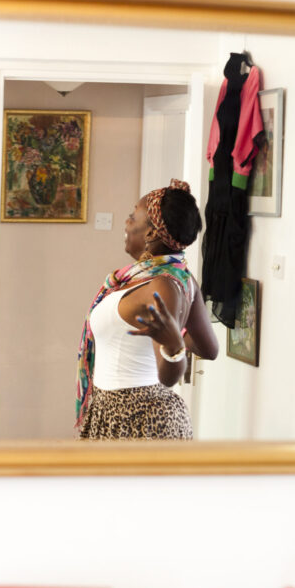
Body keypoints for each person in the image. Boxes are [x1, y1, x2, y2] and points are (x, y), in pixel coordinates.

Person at [75, 179, 218, 440]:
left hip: (136, 418)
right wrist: (171, 340)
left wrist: (174, 347)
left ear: (151, 233)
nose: (126, 223)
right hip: (121, 411)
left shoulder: (162, 285)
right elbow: (209, 348)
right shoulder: (176, 277)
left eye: (132, 217)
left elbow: (167, 375)